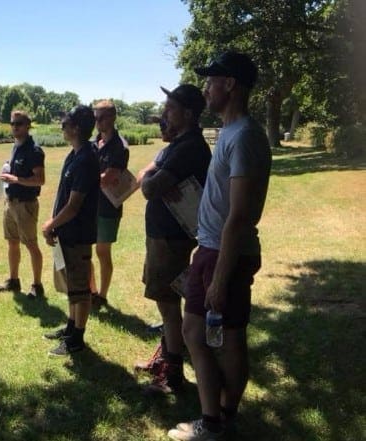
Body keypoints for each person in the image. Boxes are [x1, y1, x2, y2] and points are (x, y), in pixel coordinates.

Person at [167, 51, 271, 440]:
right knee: (214, 335)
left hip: (222, 252)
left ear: (230, 85)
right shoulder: (229, 132)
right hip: (212, 249)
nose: (206, 87)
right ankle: (223, 415)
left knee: (213, 335)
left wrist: (220, 276)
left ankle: (213, 423)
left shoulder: (243, 136)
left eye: (212, 80)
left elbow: (241, 215)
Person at [135, 85, 211, 394]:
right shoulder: (178, 145)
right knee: (165, 301)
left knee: (167, 304)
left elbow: (149, 188)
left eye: (171, 108)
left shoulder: (189, 147)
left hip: (171, 237)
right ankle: (165, 359)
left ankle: (172, 374)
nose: (165, 113)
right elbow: (146, 177)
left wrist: (153, 179)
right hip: (163, 235)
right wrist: (153, 177)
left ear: (189, 114)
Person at [42, 105, 100, 356]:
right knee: (72, 285)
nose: (61, 128)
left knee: (80, 288)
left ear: (76, 128)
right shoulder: (74, 155)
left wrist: (50, 224)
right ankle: (70, 327)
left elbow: (74, 205)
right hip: (67, 233)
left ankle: (77, 339)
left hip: (77, 235)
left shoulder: (86, 159)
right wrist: (54, 223)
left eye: (65, 124)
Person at [0, 110, 46, 298]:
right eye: (12, 124)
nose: (15, 127)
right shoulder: (16, 146)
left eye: (19, 123)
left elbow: (40, 179)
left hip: (26, 204)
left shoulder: (34, 150)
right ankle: (14, 281)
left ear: (27, 126)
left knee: (31, 245)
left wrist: (15, 179)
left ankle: (37, 285)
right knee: (12, 242)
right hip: (11, 202)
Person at [89, 100, 130, 310]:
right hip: (91, 205)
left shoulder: (119, 147)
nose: (96, 122)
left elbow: (107, 178)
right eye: (94, 117)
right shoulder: (96, 142)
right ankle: (92, 292)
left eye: (100, 117)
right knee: (87, 249)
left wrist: (84, 179)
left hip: (107, 208)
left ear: (112, 117)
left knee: (102, 252)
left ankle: (102, 295)